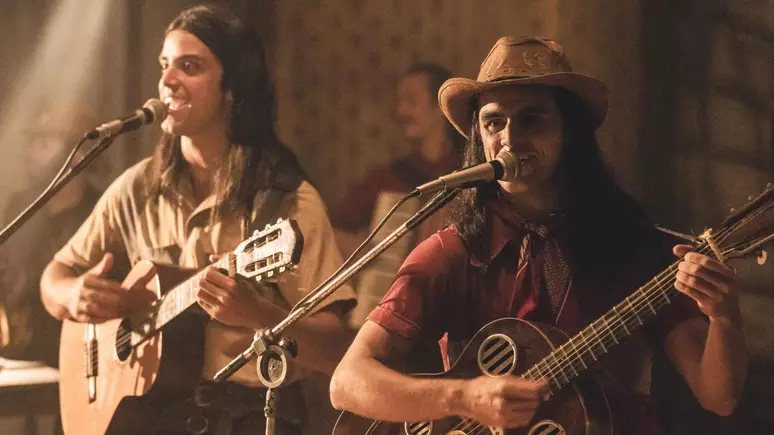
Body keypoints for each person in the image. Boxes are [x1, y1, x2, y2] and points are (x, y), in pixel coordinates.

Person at [330, 36, 747, 434]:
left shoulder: (634, 249)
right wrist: (464, 396)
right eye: (494, 122)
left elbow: (719, 397)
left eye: (532, 118)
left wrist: (724, 316)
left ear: (569, 133)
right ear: (480, 140)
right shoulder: (452, 252)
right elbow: (347, 382)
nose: (510, 138)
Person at [40, 4, 355, 435]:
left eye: (189, 67)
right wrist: (72, 292)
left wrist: (259, 313)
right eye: (165, 65)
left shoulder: (288, 201)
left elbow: (338, 349)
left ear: (233, 88)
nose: (167, 81)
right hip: (152, 414)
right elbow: (53, 276)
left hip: (250, 415)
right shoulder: (138, 188)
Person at [0, 105, 100, 368]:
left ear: (79, 154)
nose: (31, 151)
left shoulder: (99, 211)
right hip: (15, 357)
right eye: (33, 141)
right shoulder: (20, 205)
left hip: (71, 359)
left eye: (44, 142)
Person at [330, 62, 464, 257]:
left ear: (440, 107)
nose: (400, 111)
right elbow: (328, 226)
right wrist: (372, 254)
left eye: (411, 101)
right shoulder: (388, 179)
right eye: (400, 102)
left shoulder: (469, 175)